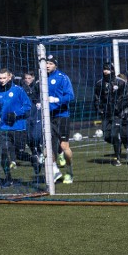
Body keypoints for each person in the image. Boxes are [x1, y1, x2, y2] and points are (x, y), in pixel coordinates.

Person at [0, 67, 30, 186]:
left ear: (10, 77)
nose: (2, 80)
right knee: (4, 152)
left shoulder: (18, 90)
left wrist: (15, 114)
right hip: (4, 128)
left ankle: (34, 160)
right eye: (0, 78)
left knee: (19, 154)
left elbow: (28, 105)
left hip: (18, 127)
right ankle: (8, 178)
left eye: (4, 78)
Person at [94, 61, 128, 166]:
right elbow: (97, 98)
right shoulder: (99, 84)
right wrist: (99, 109)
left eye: (107, 69)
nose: (105, 71)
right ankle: (119, 143)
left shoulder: (121, 82)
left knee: (114, 134)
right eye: (104, 69)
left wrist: (119, 107)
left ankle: (117, 158)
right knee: (107, 136)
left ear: (112, 70)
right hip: (106, 114)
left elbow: (127, 96)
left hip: (118, 114)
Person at [45, 55, 75, 183]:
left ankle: (69, 171)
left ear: (55, 65)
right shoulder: (41, 79)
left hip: (62, 116)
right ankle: (55, 171)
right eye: (46, 63)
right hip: (48, 118)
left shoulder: (63, 78)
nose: (47, 65)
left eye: (50, 63)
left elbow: (71, 96)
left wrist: (57, 100)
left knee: (64, 146)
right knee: (48, 148)